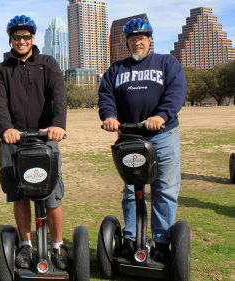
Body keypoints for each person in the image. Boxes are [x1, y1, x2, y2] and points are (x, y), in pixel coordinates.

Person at [98, 18, 186, 263]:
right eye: (132, 39)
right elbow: (106, 95)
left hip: (163, 135)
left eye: (141, 38)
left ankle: (161, 243)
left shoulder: (167, 63)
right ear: (127, 43)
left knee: (164, 190)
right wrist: (109, 116)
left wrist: (161, 115)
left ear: (150, 40)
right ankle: (131, 240)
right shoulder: (116, 69)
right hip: (129, 138)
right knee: (130, 191)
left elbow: (176, 91)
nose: (137, 42)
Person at [0, 15, 69, 270]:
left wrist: (58, 125)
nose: (21, 41)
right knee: (19, 195)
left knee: (52, 195)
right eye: (16, 37)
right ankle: (26, 245)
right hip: (14, 140)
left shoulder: (47, 64)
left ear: (33, 38)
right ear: (10, 39)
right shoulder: (2, 69)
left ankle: (57, 245)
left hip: (45, 137)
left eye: (26, 36)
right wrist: (6, 130)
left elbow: (58, 95)